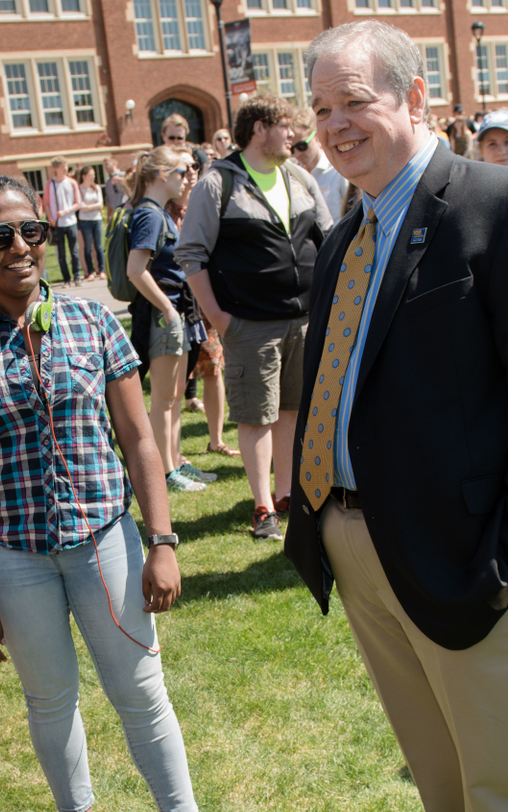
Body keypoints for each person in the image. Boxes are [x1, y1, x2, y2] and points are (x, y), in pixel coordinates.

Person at [287, 23, 508, 812]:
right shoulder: (342, 239)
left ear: (416, 98)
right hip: (359, 548)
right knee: (443, 785)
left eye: (354, 102)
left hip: (472, 558)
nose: (335, 127)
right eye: (321, 109)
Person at [0, 176, 198, 812]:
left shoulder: (92, 320)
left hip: (105, 539)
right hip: (12, 556)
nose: (20, 246)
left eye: (31, 231)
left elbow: (139, 440)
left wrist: (161, 541)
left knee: (142, 692)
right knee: (50, 701)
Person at [176, 90, 332, 540]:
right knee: (256, 416)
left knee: (291, 410)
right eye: (287, 126)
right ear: (259, 128)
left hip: (302, 319)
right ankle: (262, 506)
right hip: (249, 324)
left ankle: (286, 495)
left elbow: (328, 236)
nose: (296, 135)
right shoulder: (217, 182)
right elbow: (191, 254)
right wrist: (219, 319)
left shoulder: (299, 177)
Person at [124, 146, 211, 493]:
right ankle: (166, 473)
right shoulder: (150, 215)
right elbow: (135, 270)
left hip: (175, 315)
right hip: (164, 317)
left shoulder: (157, 212)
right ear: (162, 174)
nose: (186, 177)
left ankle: (175, 465)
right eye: (180, 171)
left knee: (172, 398)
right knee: (163, 400)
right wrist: (168, 309)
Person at [44, 157, 82, 286]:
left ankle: (77, 276)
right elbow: (46, 204)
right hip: (58, 223)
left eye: (66, 166)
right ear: (56, 168)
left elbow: (78, 203)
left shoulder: (72, 182)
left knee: (74, 251)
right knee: (61, 253)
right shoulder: (50, 184)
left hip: (70, 221)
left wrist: (65, 212)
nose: (65, 168)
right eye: (62, 166)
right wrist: (51, 218)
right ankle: (66, 279)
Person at [292, 132, 348, 218]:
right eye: (291, 149)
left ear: (316, 137)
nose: (297, 154)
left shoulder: (337, 168)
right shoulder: (294, 176)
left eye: (302, 146)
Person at [75, 165, 106, 281]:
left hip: (97, 219)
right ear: (84, 176)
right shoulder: (79, 189)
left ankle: (101, 270)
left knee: (98, 246)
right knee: (87, 247)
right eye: (90, 175)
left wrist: (88, 207)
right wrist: (92, 206)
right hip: (85, 221)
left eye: (94, 175)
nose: (93, 177)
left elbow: (101, 205)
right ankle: (90, 272)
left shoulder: (96, 188)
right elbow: (81, 207)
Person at [159, 114, 209, 178]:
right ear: (163, 136)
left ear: (185, 136)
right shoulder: (157, 159)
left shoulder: (198, 156)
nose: (176, 141)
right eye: (171, 138)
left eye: (180, 138)